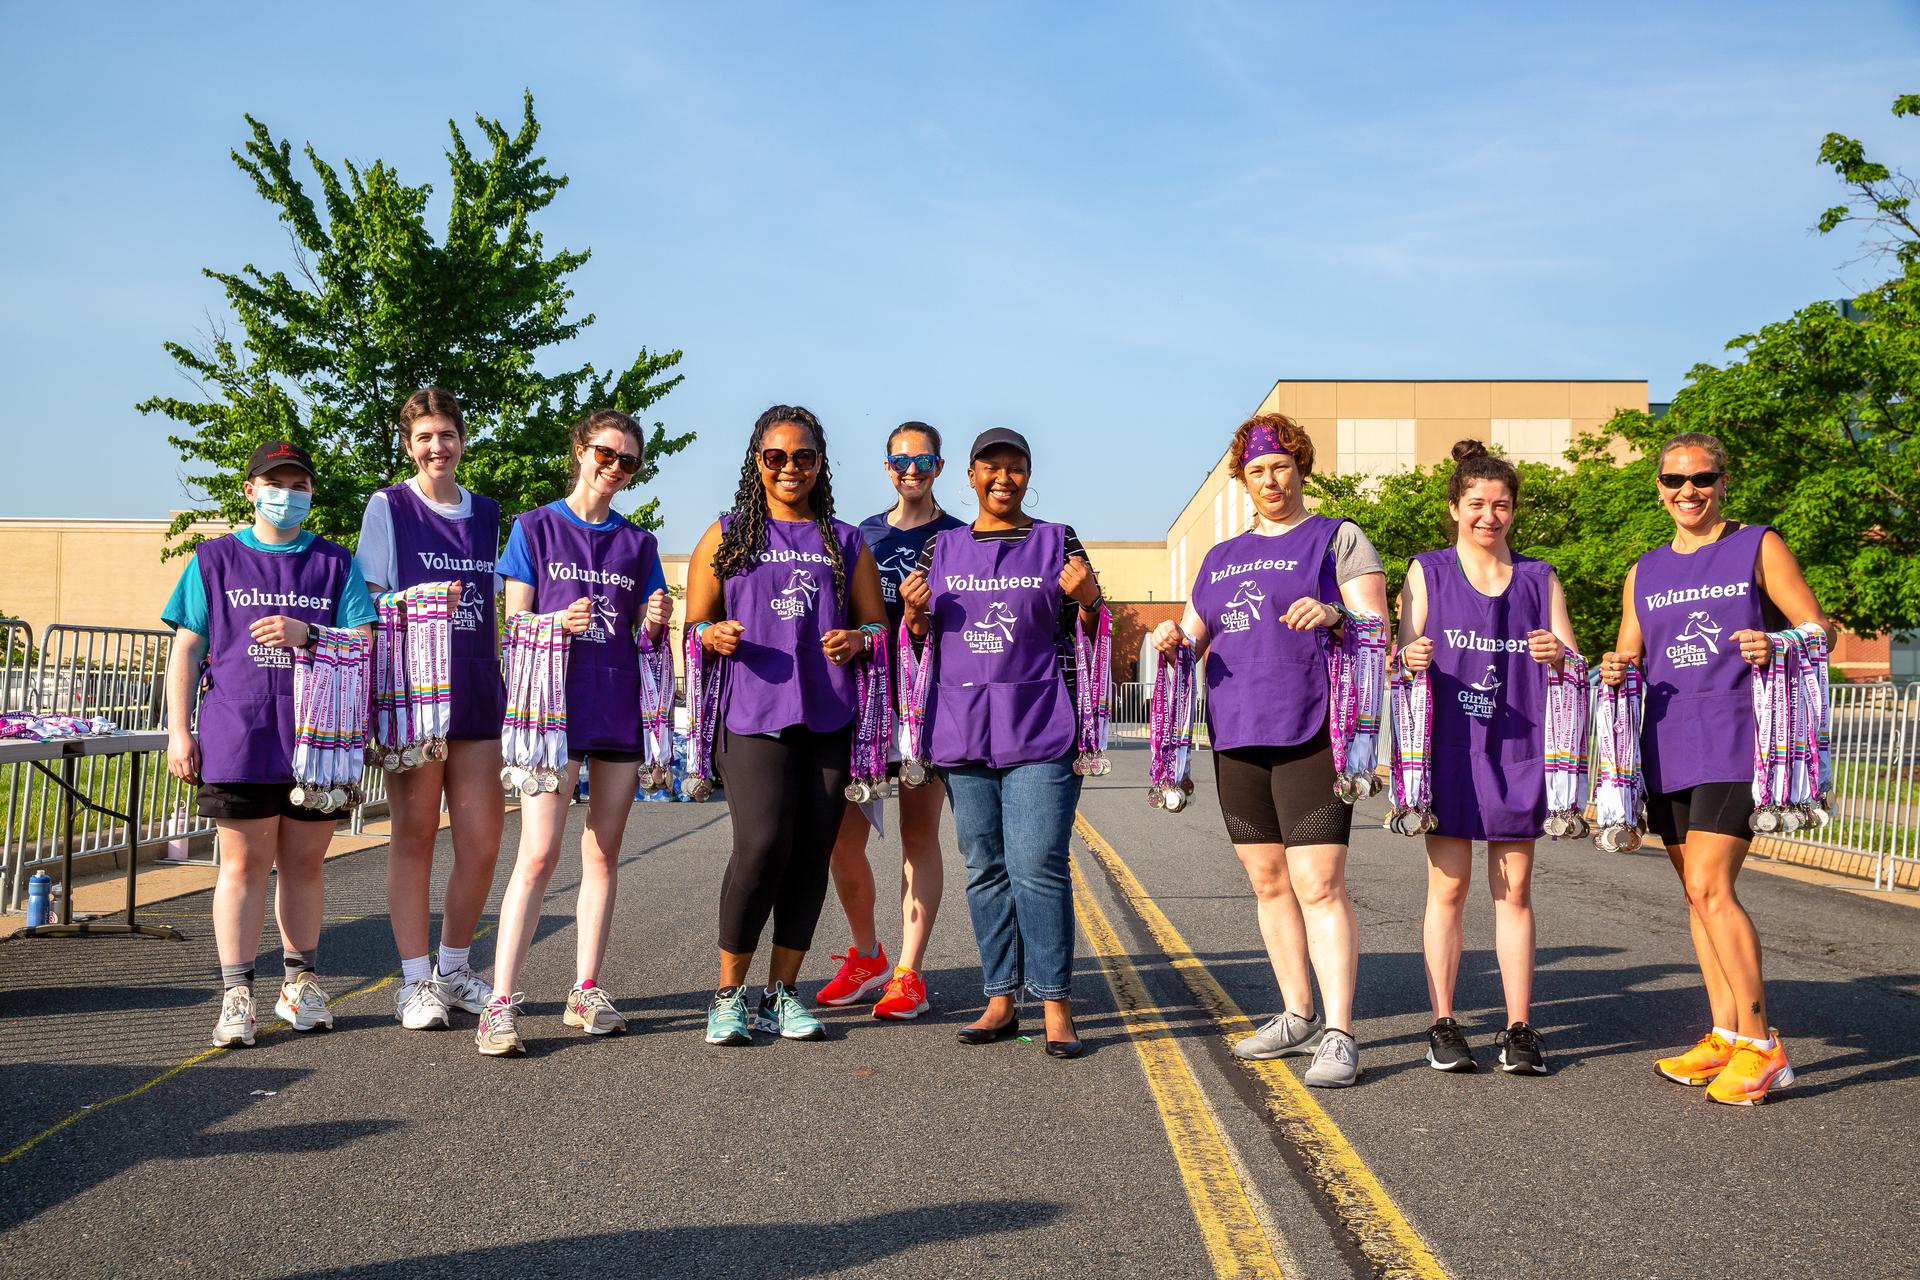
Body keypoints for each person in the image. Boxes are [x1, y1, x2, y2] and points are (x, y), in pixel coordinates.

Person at [1150, 413, 1388, 1087]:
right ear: (1243, 480)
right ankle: (1297, 1013)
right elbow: (1193, 634)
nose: (1270, 480)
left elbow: (1378, 626)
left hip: (1313, 731)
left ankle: (1339, 1032)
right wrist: (1171, 637)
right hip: (1237, 735)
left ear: (1301, 467)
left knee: (1320, 883)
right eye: (1257, 471)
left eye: (1281, 466)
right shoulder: (1221, 557)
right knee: (1268, 882)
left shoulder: (1336, 539)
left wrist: (1337, 615)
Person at [1601, 431, 1828, 1105]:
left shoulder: (1757, 544)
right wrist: (1615, 668)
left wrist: (1777, 640)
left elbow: (1819, 628)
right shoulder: (1644, 570)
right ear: (1659, 488)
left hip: (1736, 739)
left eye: (1701, 479)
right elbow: (1630, 657)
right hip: (1666, 745)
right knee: (1694, 897)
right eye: (1674, 481)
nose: (1688, 492)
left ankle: (1763, 1047)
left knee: (1711, 886)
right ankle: (1724, 1036)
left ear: (1723, 482)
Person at [163, 441, 378, 1047]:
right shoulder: (215, 560)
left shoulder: (335, 564)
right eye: (276, 482)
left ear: (311, 493)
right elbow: (186, 649)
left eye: (300, 484)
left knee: (305, 866)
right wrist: (181, 732)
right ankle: (236, 994)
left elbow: (362, 643)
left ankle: (300, 982)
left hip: (318, 740)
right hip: (239, 738)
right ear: (252, 488)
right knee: (243, 866)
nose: (288, 494)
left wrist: (308, 633)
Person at [685, 405, 888, 1046]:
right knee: (760, 845)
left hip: (829, 716)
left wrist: (859, 640)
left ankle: (782, 994)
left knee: (809, 856)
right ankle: (728, 996)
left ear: (820, 463)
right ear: (757, 461)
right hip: (753, 715)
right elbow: (692, 625)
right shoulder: (727, 534)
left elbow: (878, 627)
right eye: (776, 457)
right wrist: (710, 635)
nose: (790, 468)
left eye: (803, 457)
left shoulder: (845, 540)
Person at [900, 427, 1103, 1059]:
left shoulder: (1056, 541)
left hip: (1039, 727)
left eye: (1015, 469)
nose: (1002, 479)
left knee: (1037, 865)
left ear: (1028, 475)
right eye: (990, 469)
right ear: (969, 476)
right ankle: (999, 1000)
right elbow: (921, 640)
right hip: (962, 732)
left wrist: (1092, 599)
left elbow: (1093, 630)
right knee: (984, 866)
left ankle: (1055, 1003)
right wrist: (912, 615)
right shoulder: (943, 547)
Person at [477, 409, 672, 1056]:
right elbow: (515, 627)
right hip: (550, 714)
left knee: (603, 853)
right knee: (537, 853)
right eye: (605, 454)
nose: (614, 468)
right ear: (580, 450)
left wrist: (655, 618)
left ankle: (586, 988)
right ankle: (499, 1002)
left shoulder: (640, 545)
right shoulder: (534, 528)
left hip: (614, 706)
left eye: (628, 462)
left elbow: (648, 635)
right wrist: (555, 623)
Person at [1396, 440, 1579, 1075]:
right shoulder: (1427, 572)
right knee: (1448, 886)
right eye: (1476, 503)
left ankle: (1520, 1027)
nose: (1489, 516)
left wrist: (1557, 656)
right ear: (1454, 508)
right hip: (1449, 748)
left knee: (1515, 889)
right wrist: (1410, 656)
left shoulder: (1539, 577)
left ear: (1514, 512)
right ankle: (1444, 1022)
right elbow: (1399, 660)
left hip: (1518, 748)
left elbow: (1573, 663)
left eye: (1501, 505)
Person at [355, 388, 507, 1031]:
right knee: (414, 839)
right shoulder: (389, 507)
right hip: (414, 695)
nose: (436, 447)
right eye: (423, 438)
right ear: (408, 445)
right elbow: (368, 604)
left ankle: (453, 966)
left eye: (446, 434)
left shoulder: (490, 513)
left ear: (461, 440)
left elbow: (499, 611)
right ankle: (415, 981)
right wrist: (422, 599)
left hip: (475, 688)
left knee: (481, 842)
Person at [816, 421, 963, 1020]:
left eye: (923, 462)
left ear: (939, 468)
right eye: (901, 461)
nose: (911, 471)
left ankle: (909, 971)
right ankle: (867, 952)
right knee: (841, 839)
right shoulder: (858, 537)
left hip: (929, 707)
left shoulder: (962, 537)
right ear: (886, 467)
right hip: (864, 707)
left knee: (916, 836)